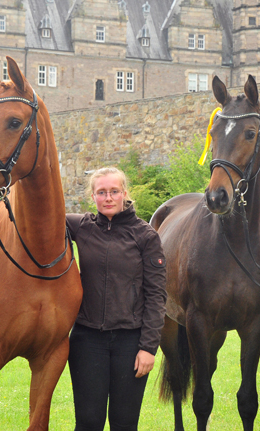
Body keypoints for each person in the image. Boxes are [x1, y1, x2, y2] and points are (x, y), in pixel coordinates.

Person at [66, 167, 167, 431]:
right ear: (93, 196)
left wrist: (148, 348)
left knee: (124, 423)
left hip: (130, 342)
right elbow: (40, 216)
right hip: (87, 340)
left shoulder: (145, 235)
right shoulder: (80, 226)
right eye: (101, 192)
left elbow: (157, 295)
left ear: (124, 193)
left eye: (114, 191)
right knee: (88, 422)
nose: (108, 197)